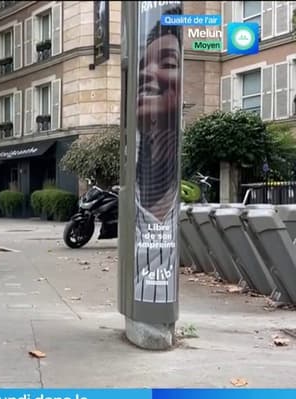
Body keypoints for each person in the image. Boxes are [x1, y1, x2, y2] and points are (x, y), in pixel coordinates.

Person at [133, 6, 183, 304]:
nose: (146, 73)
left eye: (166, 62)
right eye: (143, 64)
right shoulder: (134, 195)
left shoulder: (173, 200)